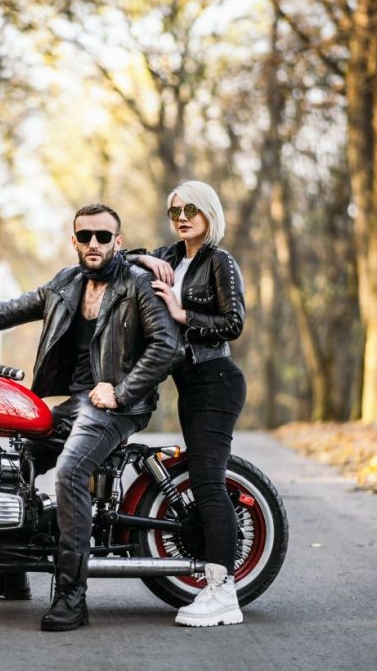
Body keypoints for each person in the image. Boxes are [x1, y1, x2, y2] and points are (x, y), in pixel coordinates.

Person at [0, 204, 179, 632]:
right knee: (15, 458)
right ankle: (10, 571)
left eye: (103, 237)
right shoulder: (66, 283)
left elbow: (166, 346)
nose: (94, 243)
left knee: (70, 472)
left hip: (119, 405)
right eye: (85, 235)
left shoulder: (137, 284)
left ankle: (73, 596)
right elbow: (8, 310)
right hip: (77, 402)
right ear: (74, 240)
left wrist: (121, 392)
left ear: (118, 242)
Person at [129, 180, 247, 627]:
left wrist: (183, 315)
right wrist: (144, 258)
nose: (181, 217)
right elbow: (122, 256)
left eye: (191, 209)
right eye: (174, 210)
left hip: (216, 379)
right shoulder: (171, 257)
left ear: (209, 213)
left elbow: (233, 322)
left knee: (208, 482)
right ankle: (219, 588)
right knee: (201, 474)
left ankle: (223, 593)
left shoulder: (219, 260)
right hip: (190, 382)